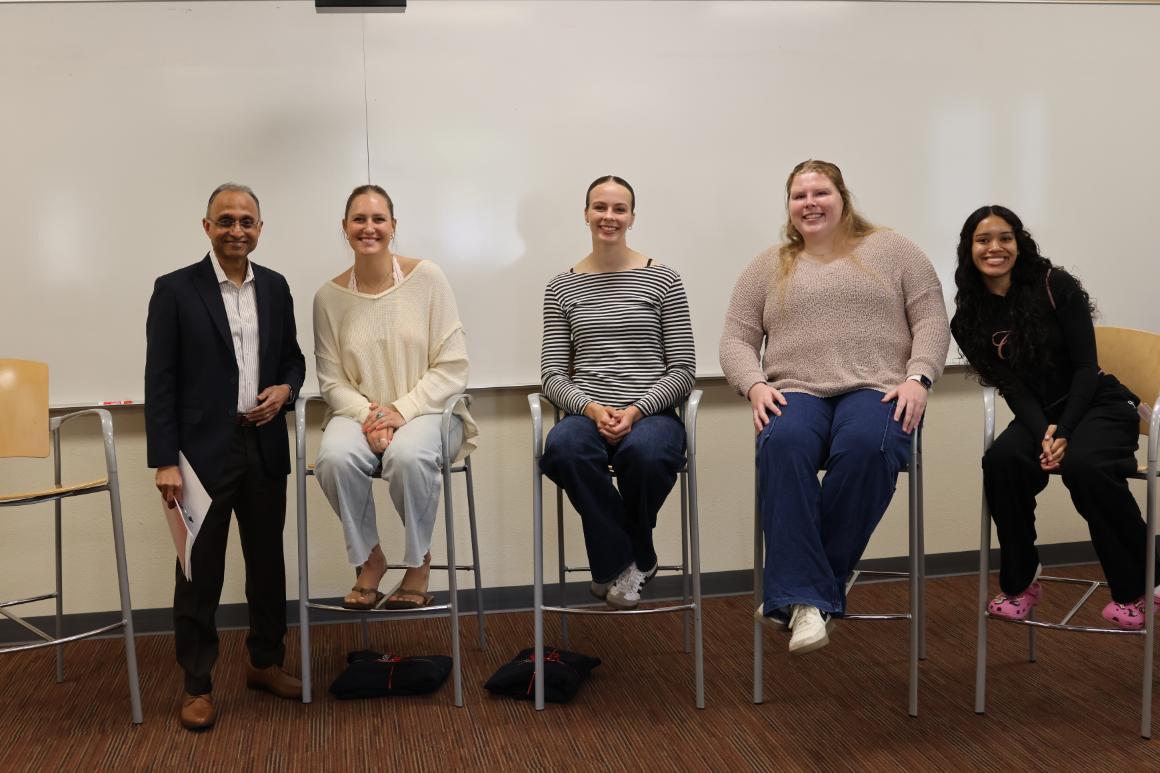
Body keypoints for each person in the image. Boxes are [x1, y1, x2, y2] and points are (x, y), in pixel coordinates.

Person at [720, 159, 949, 655]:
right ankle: (816, 591)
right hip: (795, 388)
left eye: (820, 192)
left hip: (879, 386)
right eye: (799, 196)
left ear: (842, 196)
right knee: (782, 444)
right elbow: (736, 339)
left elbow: (932, 319)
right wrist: (754, 385)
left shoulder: (894, 250)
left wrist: (919, 377)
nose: (810, 203)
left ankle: (799, 594)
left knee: (869, 446)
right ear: (789, 206)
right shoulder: (768, 265)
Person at [145, 183, 306, 731]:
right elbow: (160, 382)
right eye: (226, 220)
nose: (237, 230)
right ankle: (197, 684)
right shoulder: (174, 290)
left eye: (247, 221)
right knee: (199, 573)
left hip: (263, 446)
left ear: (260, 228)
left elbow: (293, 360)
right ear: (207, 226)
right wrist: (164, 459)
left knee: (267, 564)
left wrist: (286, 389)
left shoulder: (277, 287)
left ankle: (265, 662)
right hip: (199, 456)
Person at [950, 204, 1153, 629]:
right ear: (969, 249)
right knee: (1002, 461)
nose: (995, 248)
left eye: (1005, 237)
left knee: (1084, 464)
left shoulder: (1054, 285)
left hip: (1098, 404)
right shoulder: (967, 318)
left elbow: (1085, 367)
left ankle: (1140, 586)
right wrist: (1046, 432)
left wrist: (1065, 432)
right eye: (983, 240)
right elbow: (1012, 387)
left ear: (1019, 242)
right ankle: (1022, 581)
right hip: (1040, 415)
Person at [313, 184, 477, 612]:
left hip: (429, 410)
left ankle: (419, 562)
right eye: (359, 219)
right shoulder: (327, 298)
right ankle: (370, 558)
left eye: (378, 219)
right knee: (333, 458)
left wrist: (399, 413)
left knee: (407, 457)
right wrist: (373, 417)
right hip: (360, 413)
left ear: (393, 226)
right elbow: (331, 382)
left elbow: (452, 366)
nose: (369, 228)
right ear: (345, 228)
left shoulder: (428, 278)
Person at [538, 175, 695, 611]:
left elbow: (684, 369)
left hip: (653, 412)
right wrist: (589, 409)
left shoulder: (663, 279)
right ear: (585, 214)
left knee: (644, 456)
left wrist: (637, 410)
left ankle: (620, 561)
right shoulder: (561, 286)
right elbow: (552, 375)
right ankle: (633, 558)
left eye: (619, 209)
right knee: (564, 450)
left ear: (632, 217)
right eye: (600, 207)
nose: (609, 217)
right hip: (586, 413)